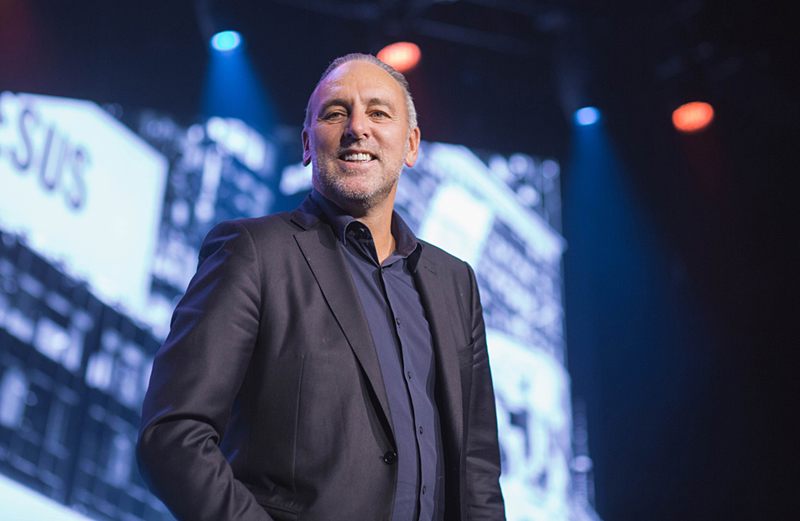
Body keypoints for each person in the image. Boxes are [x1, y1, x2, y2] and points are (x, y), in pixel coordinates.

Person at [137, 53, 505, 521]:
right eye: (335, 113)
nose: (357, 128)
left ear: (411, 145)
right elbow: (173, 434)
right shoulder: (253, 253)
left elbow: (476, 473)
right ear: (308, 143)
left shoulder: (455, 282)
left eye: (378, 113)